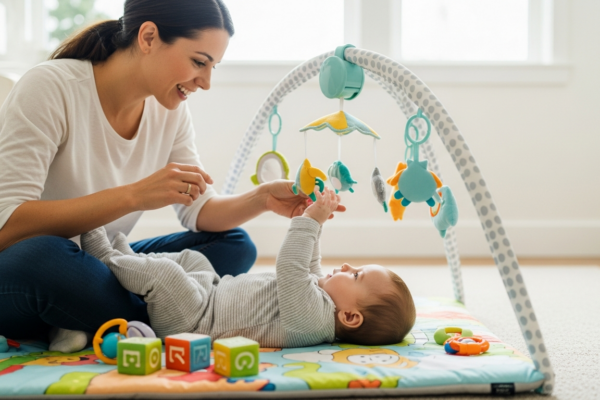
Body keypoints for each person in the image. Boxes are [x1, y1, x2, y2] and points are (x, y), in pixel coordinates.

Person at [0, 0, 344, 348]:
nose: (206, 82)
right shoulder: (50, 87)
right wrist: (134, 196)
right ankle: (172, 318)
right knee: (42, 259)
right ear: (148, 37)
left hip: (98, 261)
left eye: (213, 67)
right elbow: (7, 227)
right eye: (199, 62)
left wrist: (262, 198)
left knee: (234, 244)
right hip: (31, 265)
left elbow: (200, 211)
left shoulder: (170, 110)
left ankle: (101, 315)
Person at [78, 187, 416, 349]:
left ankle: (105, 259)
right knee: (193, 260)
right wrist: (313, 223)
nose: (345, 266)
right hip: (208, 292)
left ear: (351, 317)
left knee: (167, 277)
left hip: (193, 322)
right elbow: (309, 265)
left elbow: (291, 267)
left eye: (355, 275)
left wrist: (310, 223)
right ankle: (129, 260)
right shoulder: (321, 299)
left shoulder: (313, 321)